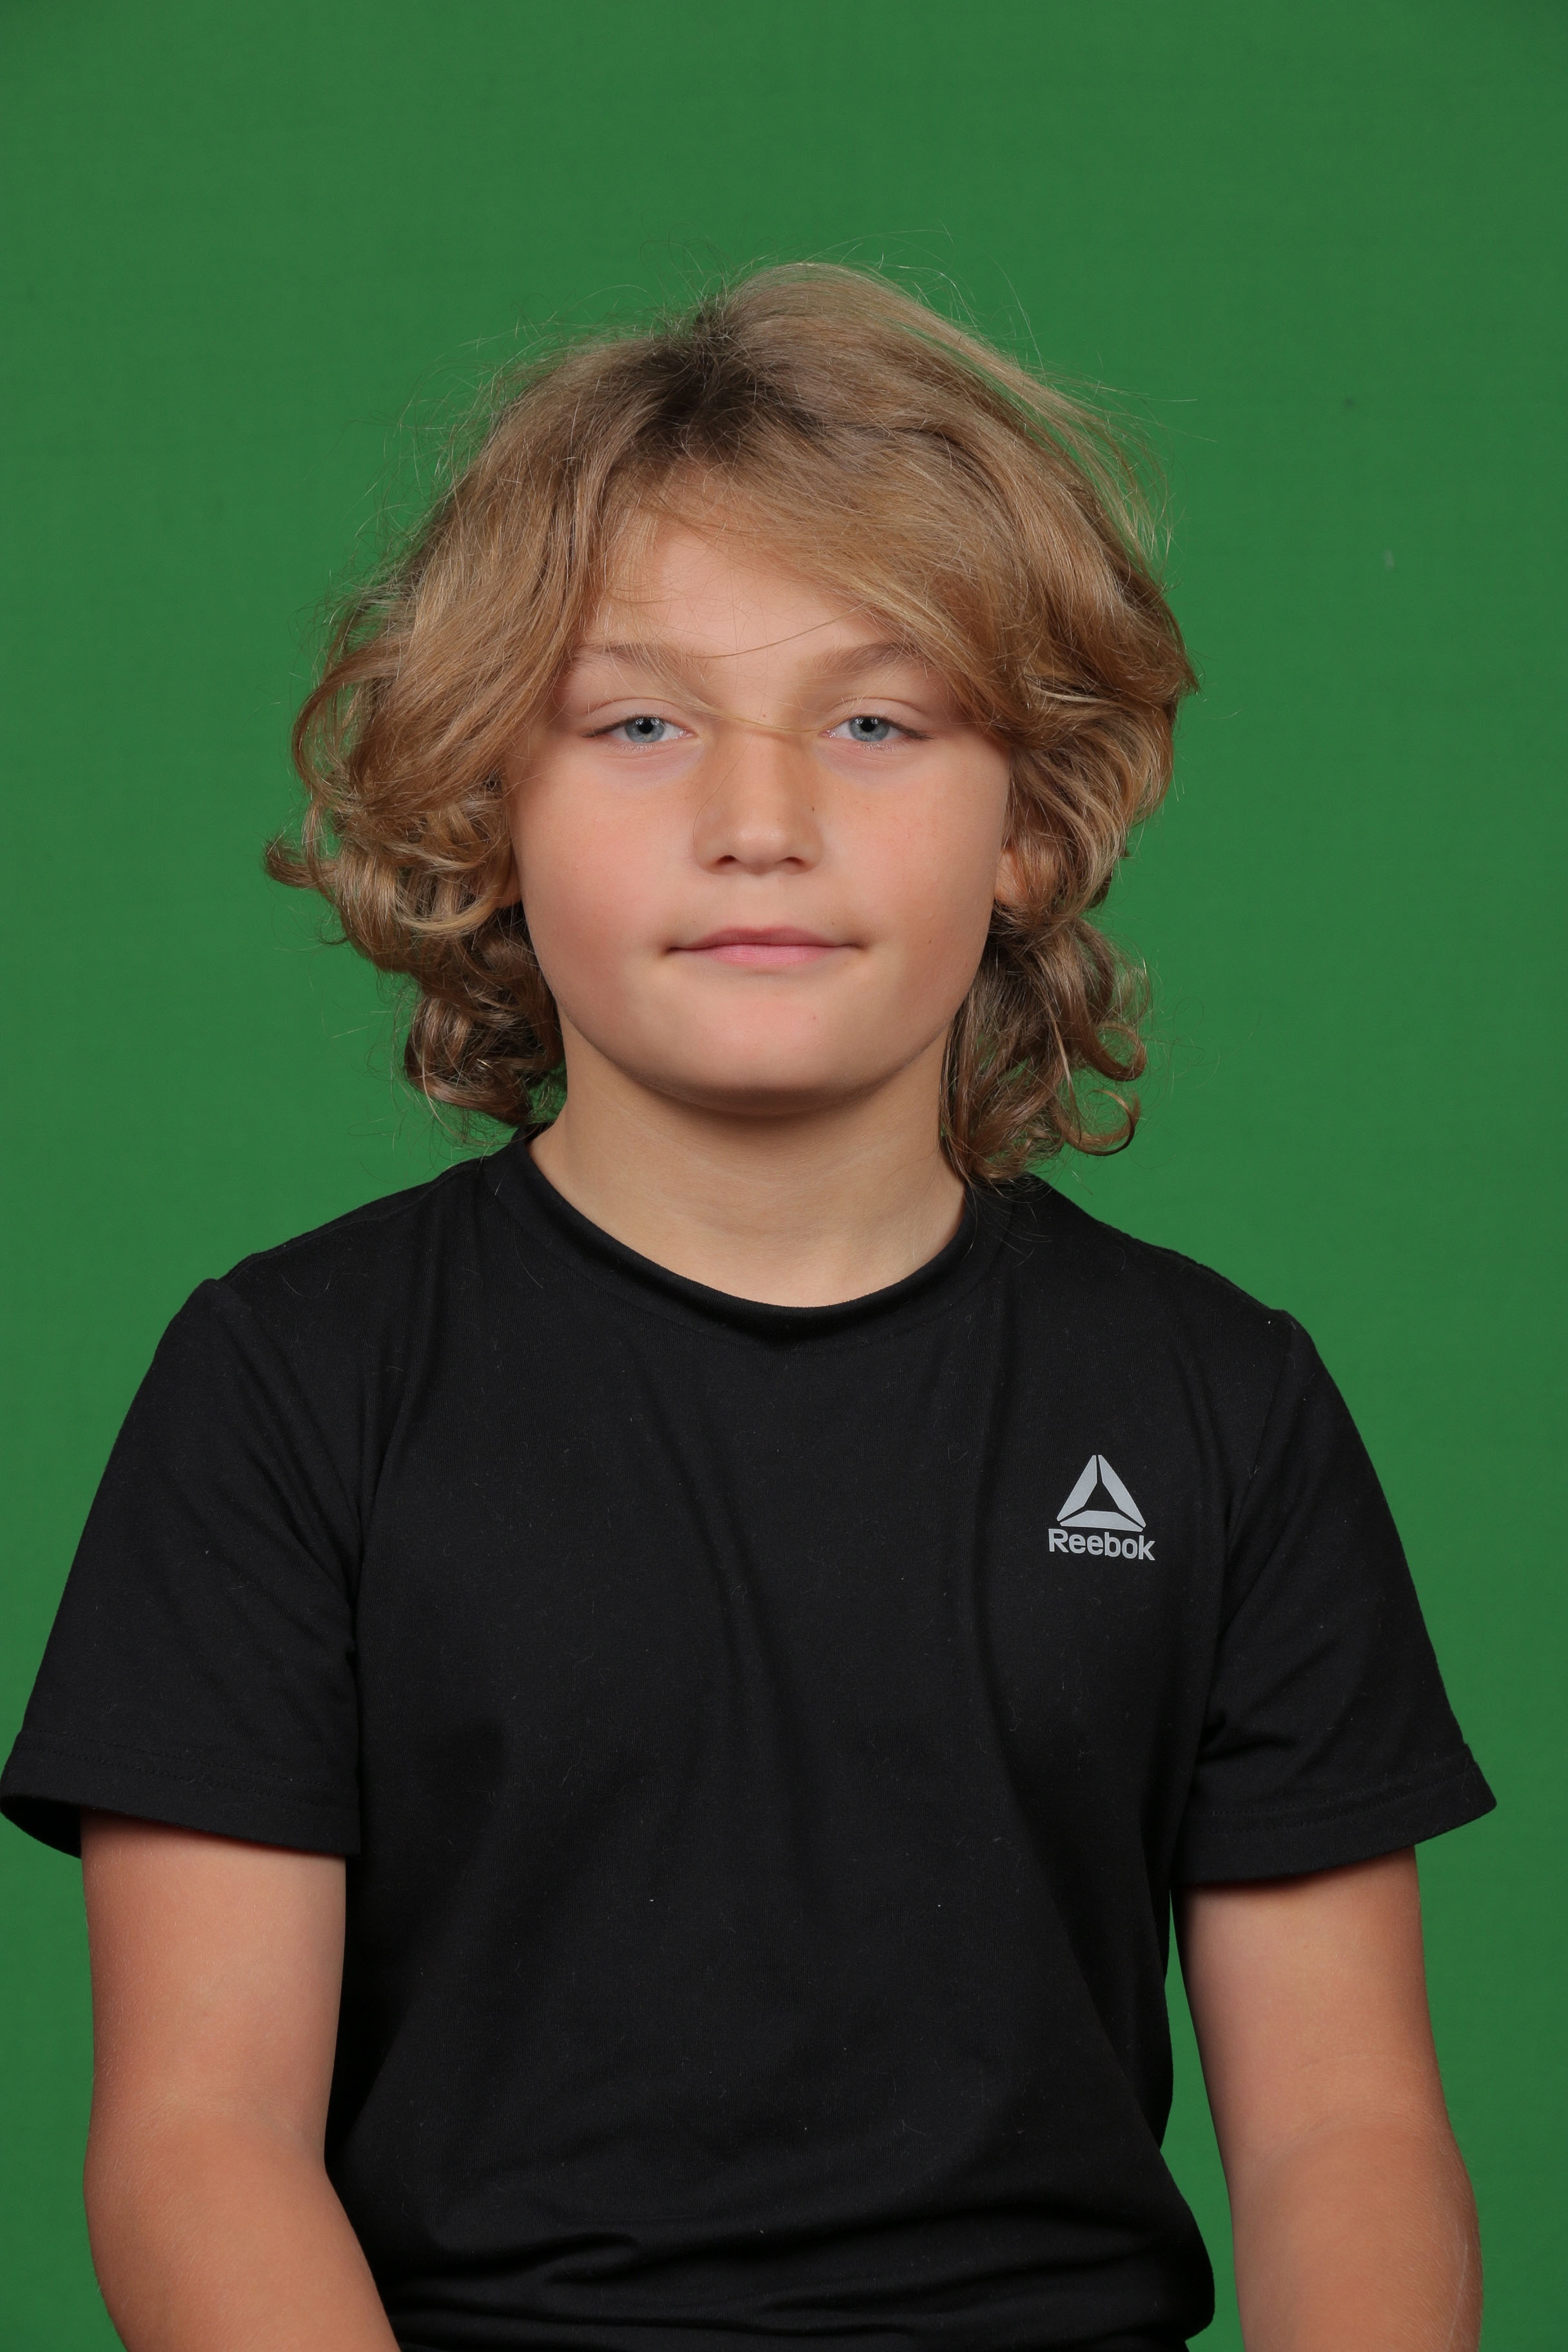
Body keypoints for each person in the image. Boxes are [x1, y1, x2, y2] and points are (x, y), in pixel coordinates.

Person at [1, 266, 1493, 2352]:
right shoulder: (285, 1389)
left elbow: (1348, 2136)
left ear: (1030, 825)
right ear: (489, 808)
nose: (761, 825)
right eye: (639, 724)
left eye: (876, 723)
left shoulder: (1221, 1402)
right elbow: (198, 2145)